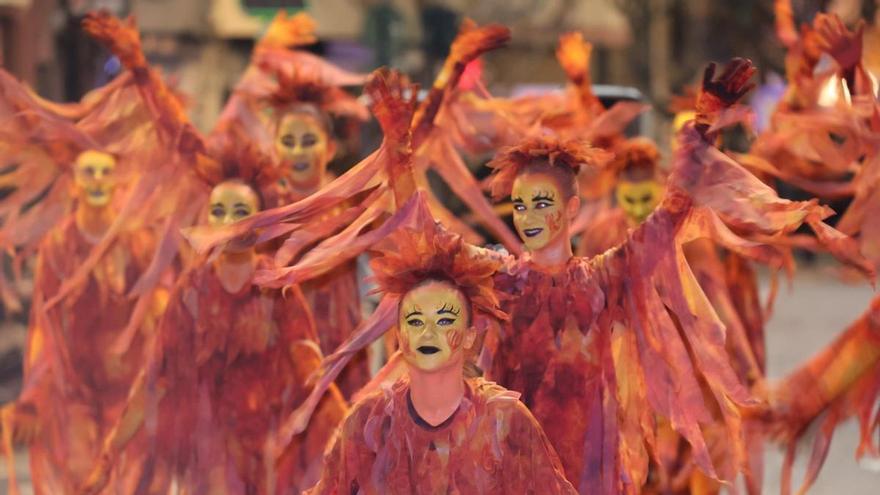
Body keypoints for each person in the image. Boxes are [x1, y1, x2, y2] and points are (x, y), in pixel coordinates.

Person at [80, 145, 346, 495]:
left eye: (240, 211)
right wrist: (110, 453)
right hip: (205, 456)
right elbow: (155, 377)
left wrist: (353, 434)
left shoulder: (277, 290)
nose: (228, 221)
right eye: (218, 211)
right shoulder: (192, 289)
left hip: (266, 455)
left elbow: (311, 374)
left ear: (260, 221)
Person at [306, 219, 576, 494]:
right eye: (415, 321)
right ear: (399, 336)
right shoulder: (371, 421)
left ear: (470, 336)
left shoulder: (504, 420)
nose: (428, 333)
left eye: (445, 321)